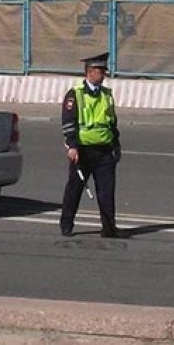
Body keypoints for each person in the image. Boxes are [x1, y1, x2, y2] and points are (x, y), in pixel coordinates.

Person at [59, 52, 123, 238]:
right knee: (75, 189)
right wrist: (72, 146)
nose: (103, 75)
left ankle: (109, 228)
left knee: (107, 191)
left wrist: (115, 145)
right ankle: (66, 224)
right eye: (99, 71)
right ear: (89, 72)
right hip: (83, 150)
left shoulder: (106, 95)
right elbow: (68, 122)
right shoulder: (75, 94)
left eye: (104, 71)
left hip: (104, 150)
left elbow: (112, 122)